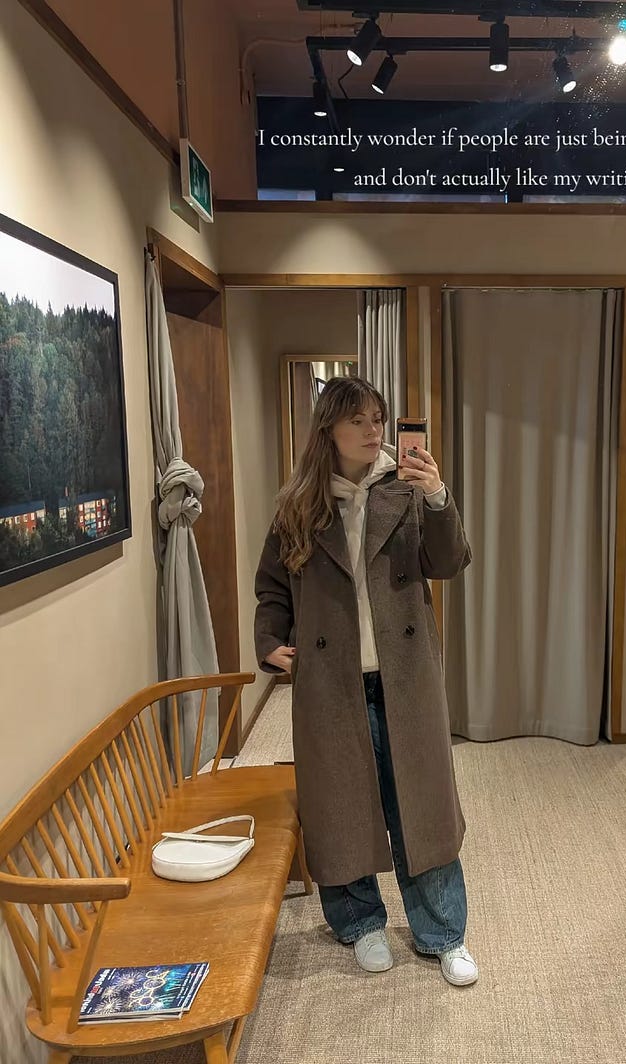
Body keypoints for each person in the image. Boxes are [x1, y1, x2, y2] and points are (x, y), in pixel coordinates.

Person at [254, 376, 478, 986]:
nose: (373, 430)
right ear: (328, 428)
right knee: (342, 806)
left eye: (378, 418)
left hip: (404, 677)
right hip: (331, 684)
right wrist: (270, 643)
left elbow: (448, 562)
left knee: (422, 807)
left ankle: (443, 932)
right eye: (357, 419)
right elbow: (272, 588)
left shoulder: (405, 490)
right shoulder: (298, 506)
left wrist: (437, 497)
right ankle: (360, 923)